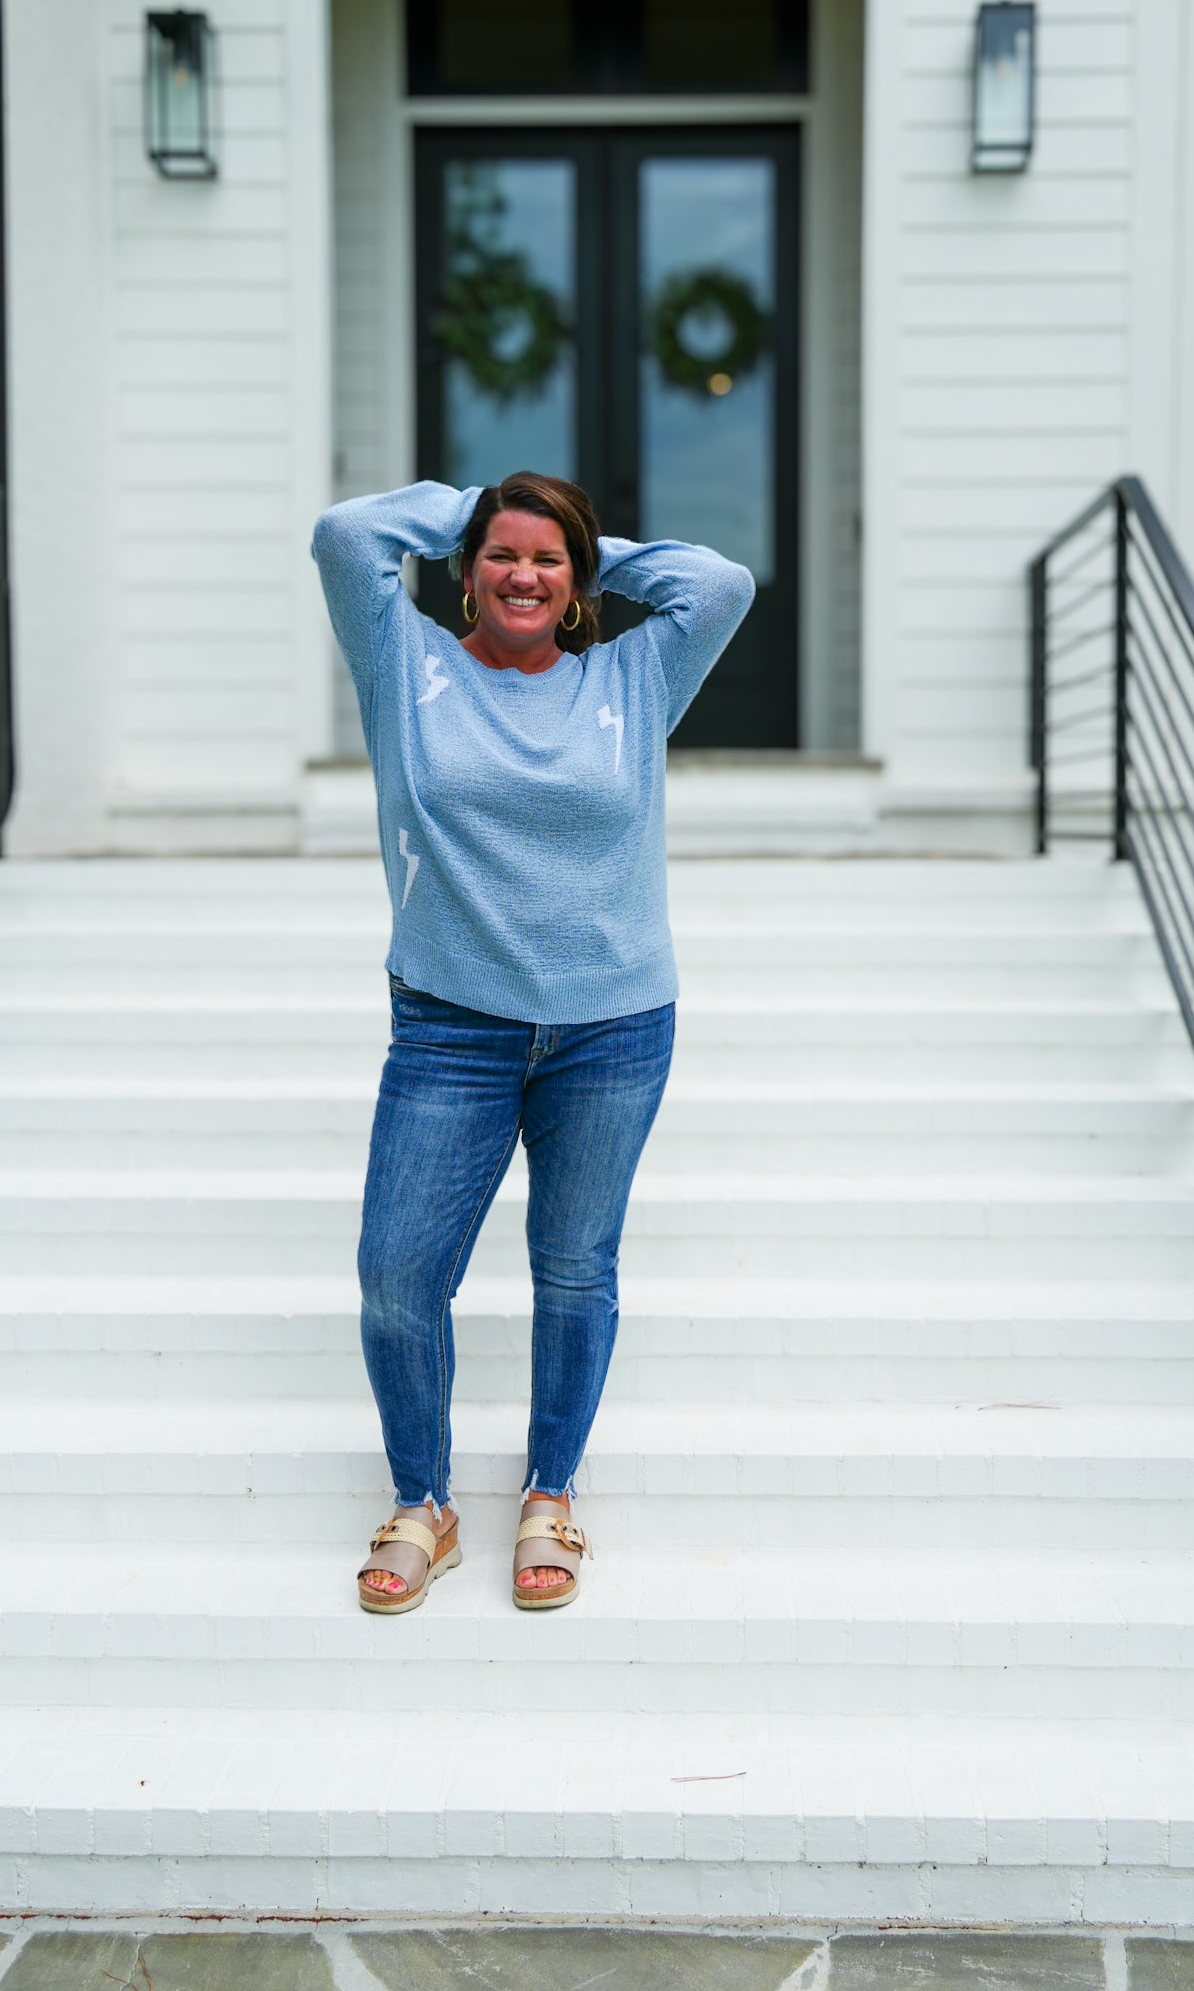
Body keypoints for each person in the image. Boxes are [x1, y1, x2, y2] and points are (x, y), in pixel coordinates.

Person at [311, 472, 755, 1614]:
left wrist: (578, 538)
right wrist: (482, 510)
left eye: (547, 563)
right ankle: (426, 1501)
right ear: (461, 568)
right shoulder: (406, 668)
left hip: (612, 1027)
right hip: (450, 1026)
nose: (521, 575)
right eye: (499, 556)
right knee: (400, 1272)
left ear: (579, 586)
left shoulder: (632, 673)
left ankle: (550, 1492)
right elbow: (345, 534)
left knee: (574, 1265)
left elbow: (720, 582)